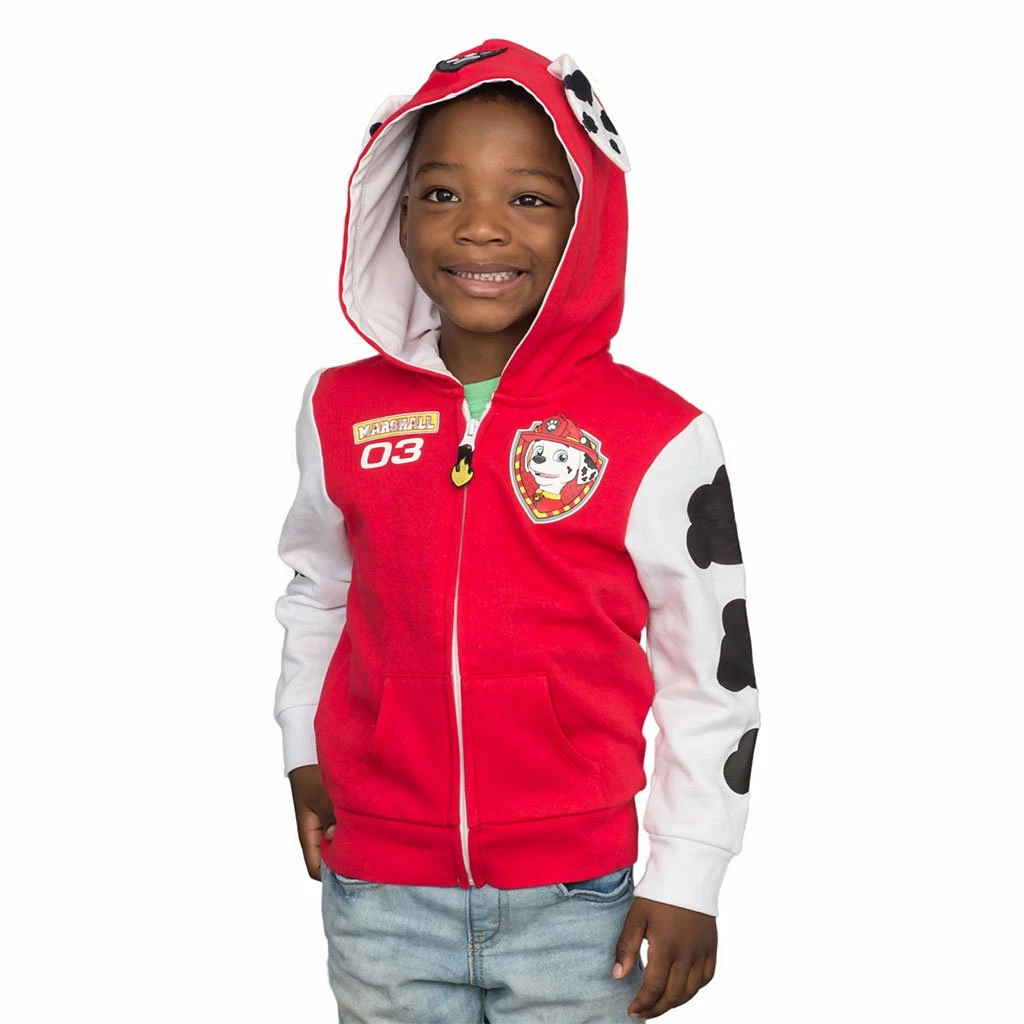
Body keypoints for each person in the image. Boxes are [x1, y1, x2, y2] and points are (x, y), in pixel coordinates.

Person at [274, 38, 760, 1024]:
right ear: (393, 211)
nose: (481, 226)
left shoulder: (657, 434)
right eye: (441, 193)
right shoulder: (340, 409)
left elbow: (709, 669)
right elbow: (319, 589)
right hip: (378, 892)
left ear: (588, 223)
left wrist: (691, 872)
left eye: (529, 198)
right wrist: (301, 747)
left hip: (577, 905)